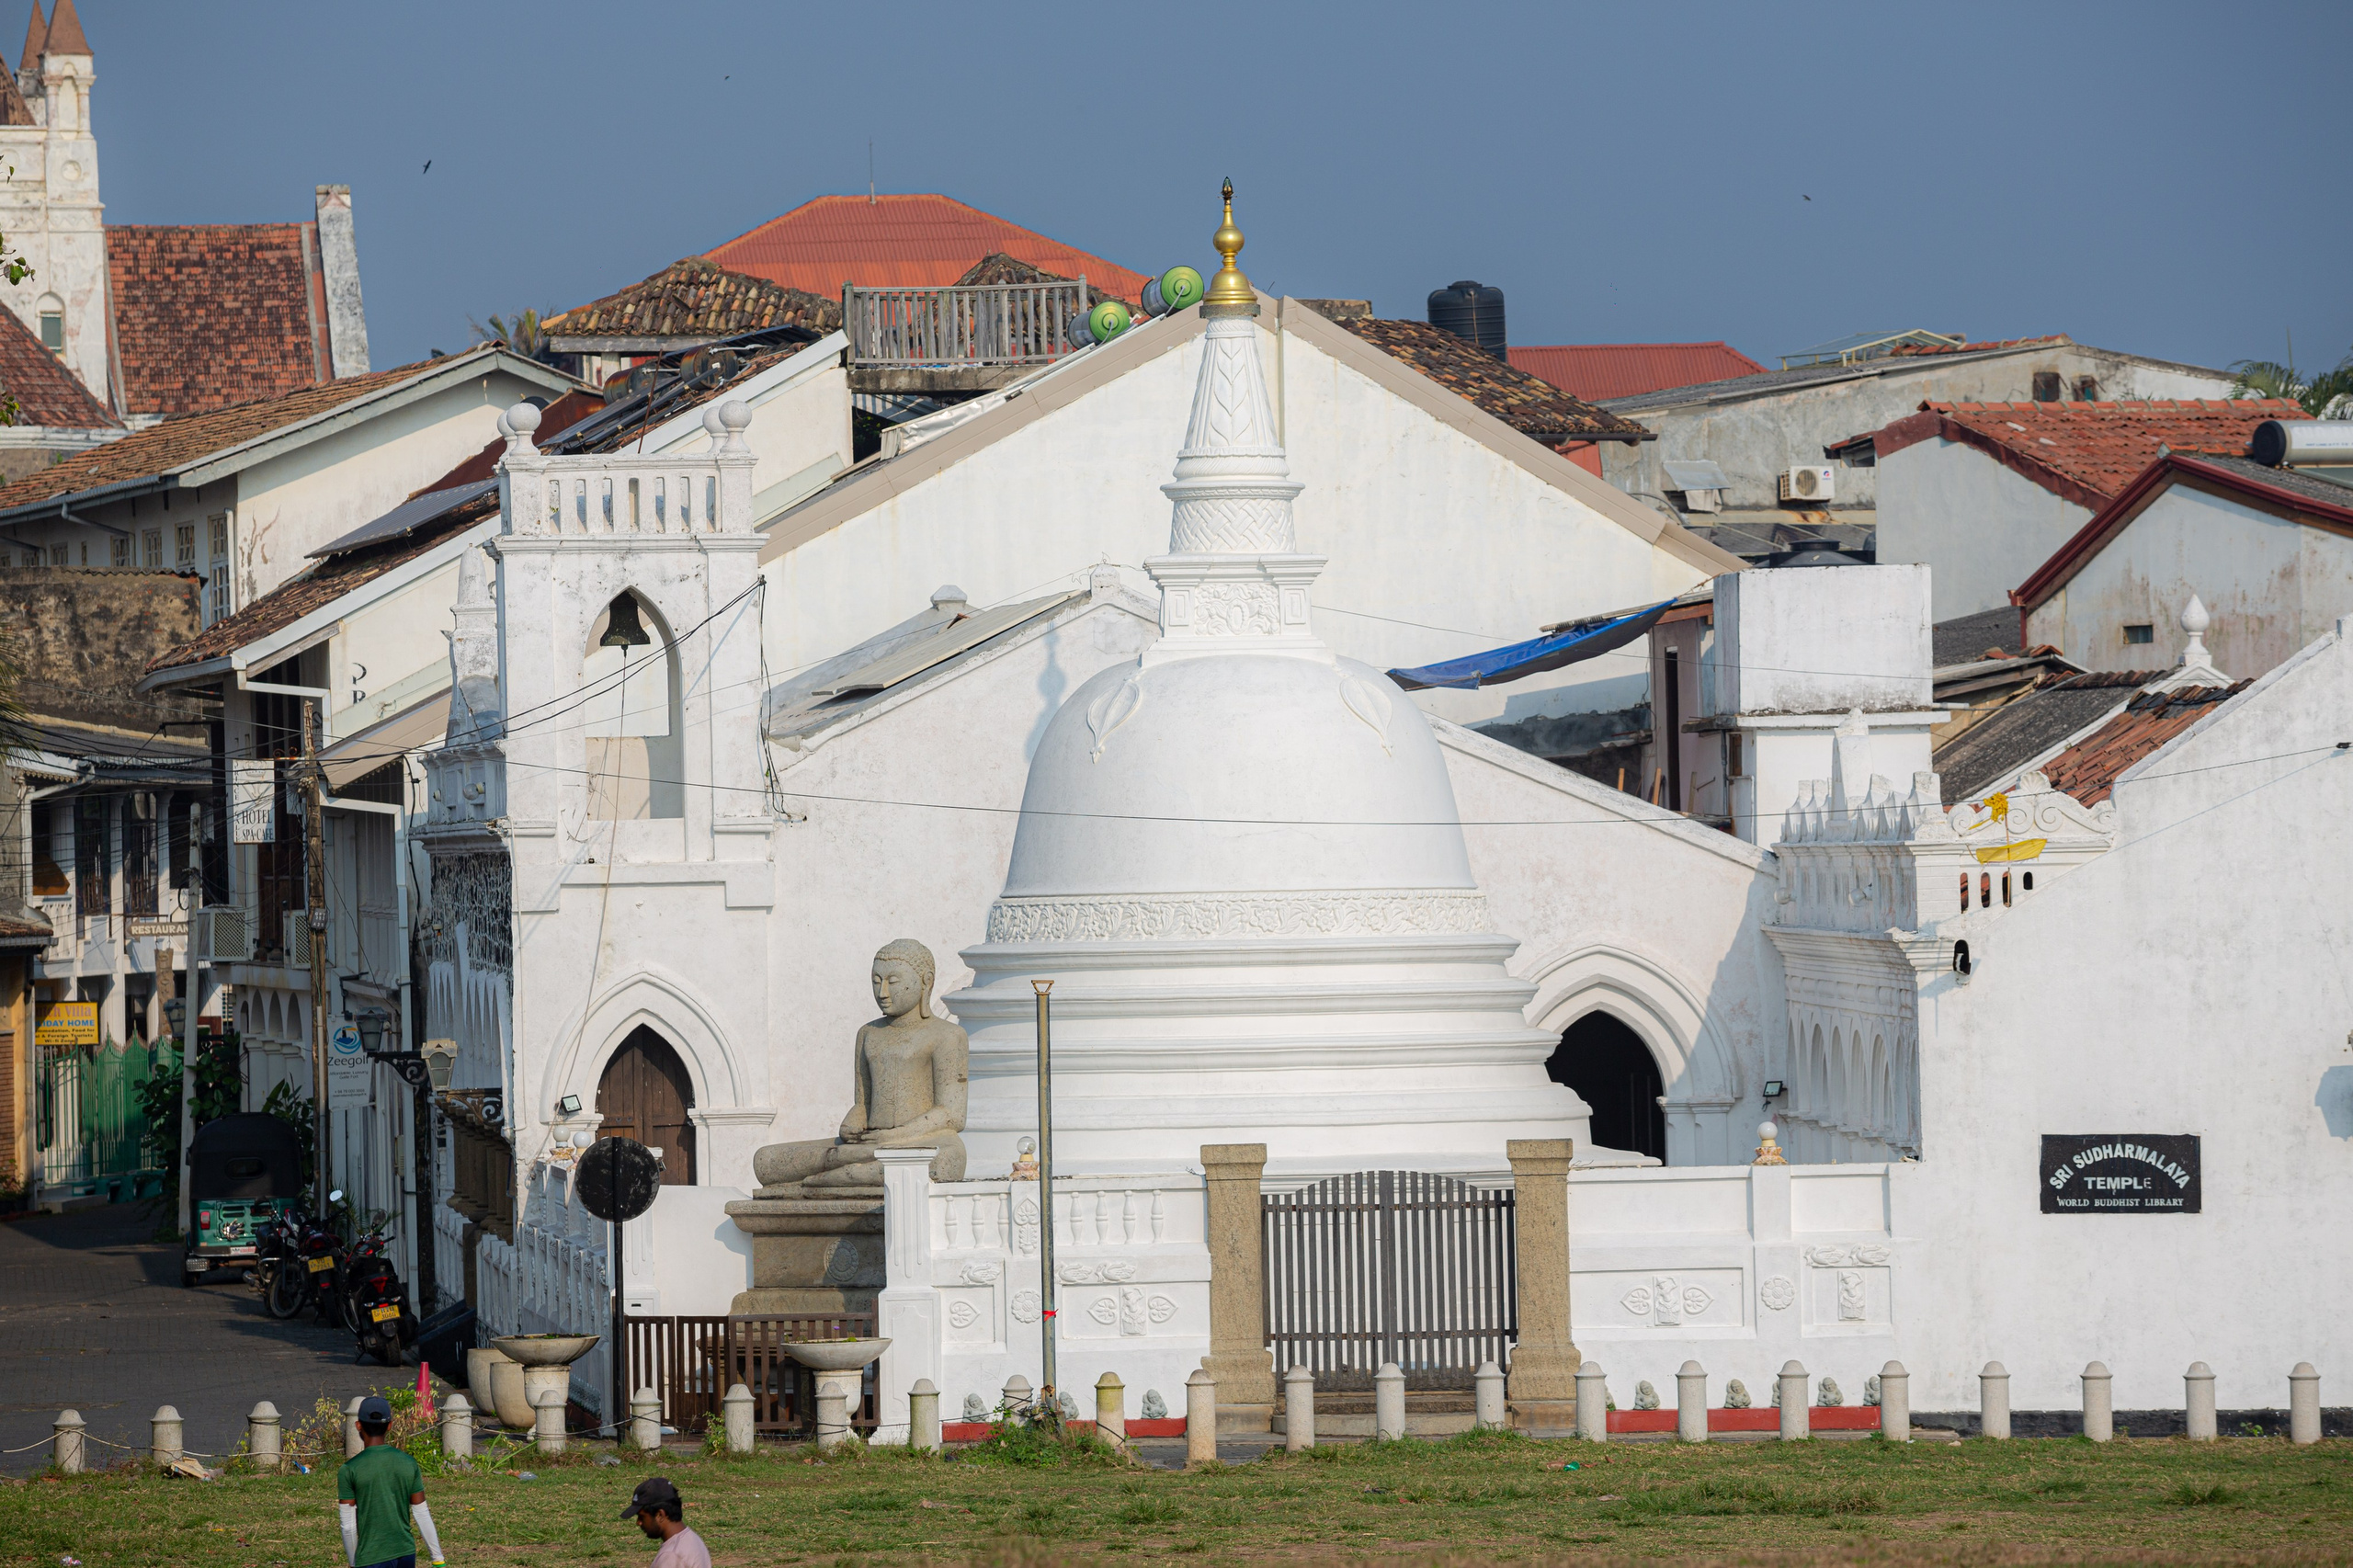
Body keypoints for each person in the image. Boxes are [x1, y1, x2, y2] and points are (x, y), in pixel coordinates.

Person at [336, 1395, 445, 1568]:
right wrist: (438, 1559)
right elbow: (421, 1513)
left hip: (371, 1557)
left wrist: (353, 1563)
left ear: (358, 1425)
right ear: (390, 1426)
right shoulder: (408, 1463)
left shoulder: (349, 1469)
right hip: (406, 1553)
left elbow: (348, 1526)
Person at [622, 1476, 710, 1568]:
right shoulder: (692, 1539)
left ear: (660, 1515)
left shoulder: (671, 1555)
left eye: (641, 1517)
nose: (639, 1522)